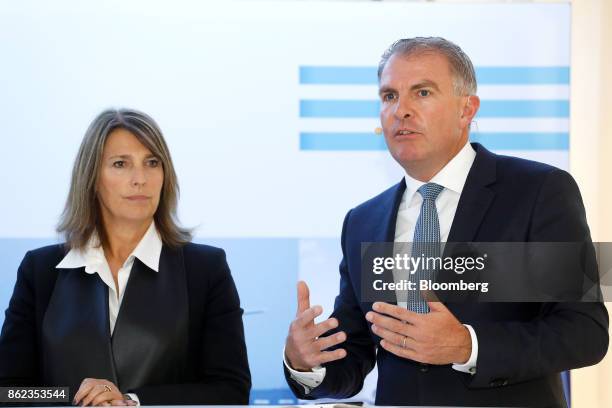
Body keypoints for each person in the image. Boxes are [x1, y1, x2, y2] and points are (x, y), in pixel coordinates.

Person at [283, 37, 609, 406]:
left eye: (422, 93)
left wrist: (467, 346)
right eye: (389, 96)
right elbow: (355, 356)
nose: (401, 110)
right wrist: (306, 363)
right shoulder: (363, 221)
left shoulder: (537, 191)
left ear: (467, 109)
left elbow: (585, 332)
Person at [0, 109, 251, 405]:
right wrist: (78, 398)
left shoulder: (205, 269)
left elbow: (230, 390)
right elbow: (9, 391)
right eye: (121, 164)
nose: (140, 179)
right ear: (92, 177)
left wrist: (132, 400)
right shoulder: (40, 270)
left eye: (152, 163)